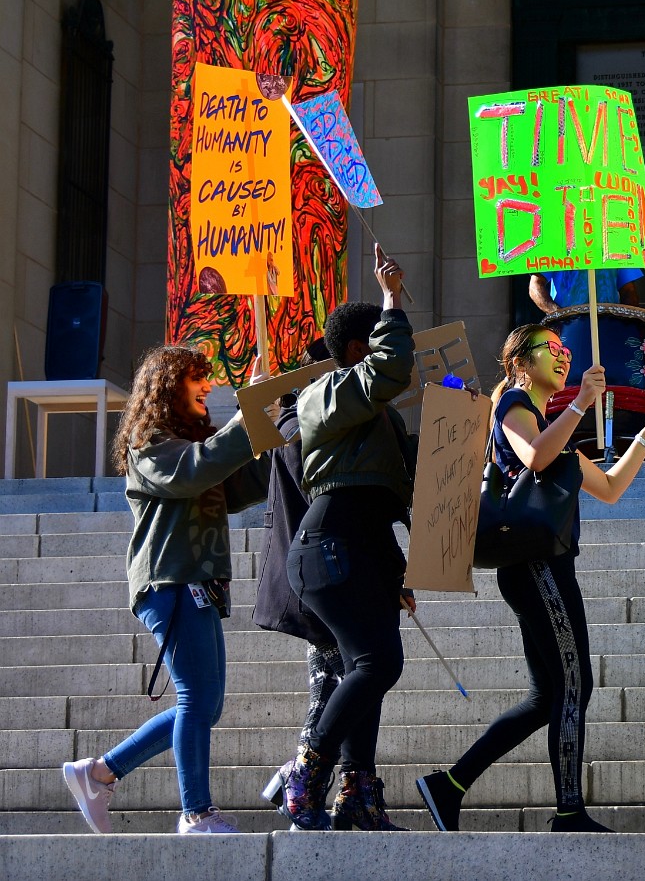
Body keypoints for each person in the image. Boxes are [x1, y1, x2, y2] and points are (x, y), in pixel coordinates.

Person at [416, 323, 645, 833]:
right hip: (537, 566)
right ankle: (569, 811)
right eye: (549, 350)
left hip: (542, 566)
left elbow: (611, 487)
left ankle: (449, 784)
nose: (561, 356)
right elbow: (535, 456)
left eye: (564, 350)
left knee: (547, 697)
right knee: (576, 685)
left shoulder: (549, 427)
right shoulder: (514, 404)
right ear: (519, 363)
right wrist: (581, 403)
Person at [62, 345, 269, 835]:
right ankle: (196, 812)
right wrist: (246, 418)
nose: (209, 386)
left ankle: (98, 773)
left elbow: (238, 486)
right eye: (198, 378)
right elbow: (196, 468)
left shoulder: (189, 444)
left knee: (203, 704)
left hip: (194, 582)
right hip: (170, 581)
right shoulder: (148, 442)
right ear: (167, 387)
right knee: (197, 699)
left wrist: (268, 423)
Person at [276, 244, 417, 832]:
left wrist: (399, 571)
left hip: (363, 550)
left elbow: (394, 499)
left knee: (371, 668)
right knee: (378, 662)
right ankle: (308, 774)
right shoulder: (327, 395)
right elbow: (389, 369)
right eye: (377, 336)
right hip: (329, 548)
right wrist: (391, 299)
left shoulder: (381, 417)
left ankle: (357, 793)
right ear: (359, 350)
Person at [252, 338, 350, 820]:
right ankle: (300, 781)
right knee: (330, 687)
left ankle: (302, 777)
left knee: (334, 685)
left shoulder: (296, 421)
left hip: (323, 572)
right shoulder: (301, 426)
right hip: (322, 574)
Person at [529, 267, 641, 315]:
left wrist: (628, 323)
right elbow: (535, 285)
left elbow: (629, 292)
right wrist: (559, 314)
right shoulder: (558, 239)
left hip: (610, 323)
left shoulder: (614, 240)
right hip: (567, 326)